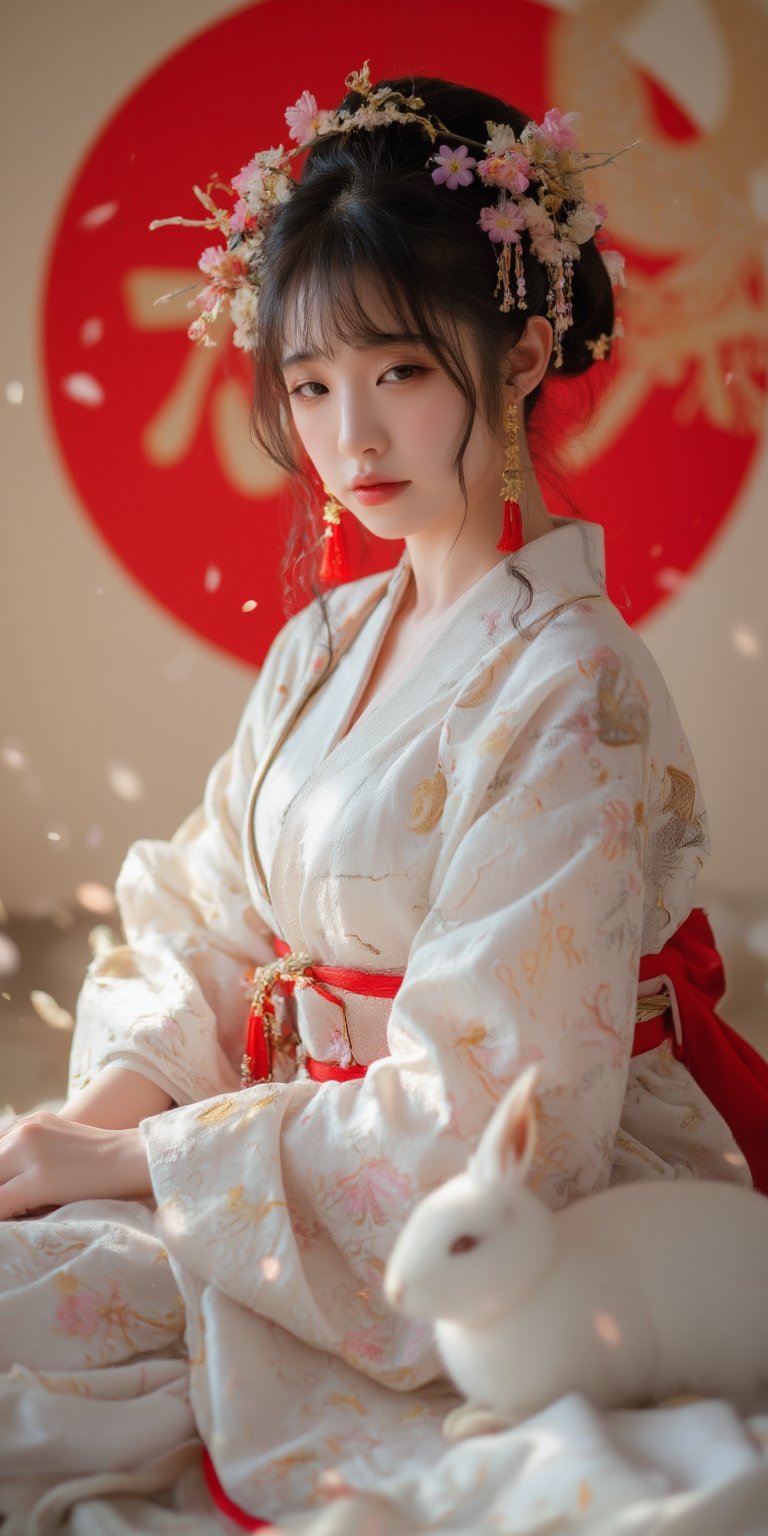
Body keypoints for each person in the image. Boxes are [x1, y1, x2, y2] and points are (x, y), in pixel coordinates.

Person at [1, 63, 766, 1534]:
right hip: (271, 1154)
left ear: (526, 350)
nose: (351, 441)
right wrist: (96, 1132)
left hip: (500, 1215)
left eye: (401, 372)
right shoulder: (321, 647)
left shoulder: (575, 690)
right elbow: (203, 913)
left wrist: (130, 1165)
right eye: (310, 386)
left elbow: (495, 1110)